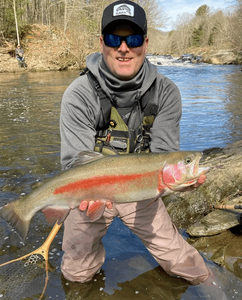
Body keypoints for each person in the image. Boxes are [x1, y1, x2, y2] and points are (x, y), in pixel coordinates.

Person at [60, 0, 210, 286]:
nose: (124, 48)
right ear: (103, 42)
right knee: (77, 274)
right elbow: (73, 163)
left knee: (187, 264)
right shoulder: (78, 94)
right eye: (115, 39)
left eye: (134, 39)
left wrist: (178, 183)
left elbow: (164, 156)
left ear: (146, 42)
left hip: (141, 186)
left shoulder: (166, 92)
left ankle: (218, 289)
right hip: (90, 190)